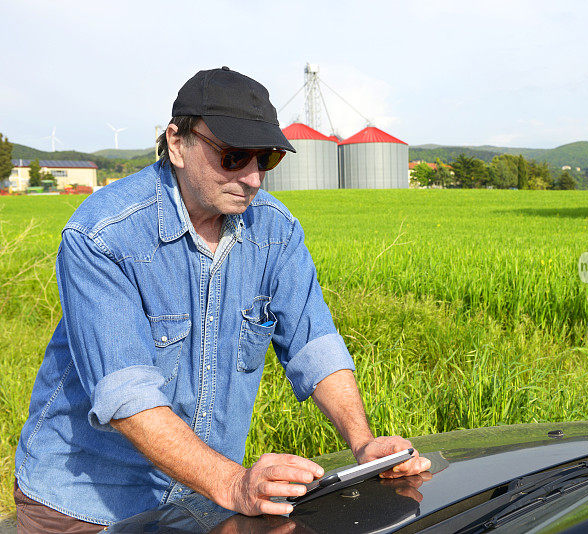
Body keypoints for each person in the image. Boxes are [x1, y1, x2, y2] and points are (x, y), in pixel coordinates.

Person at [13, 66, 430, 533]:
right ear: (177, 143)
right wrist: (233, 484)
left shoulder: (275, 231)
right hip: (91, 503)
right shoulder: (104, 236)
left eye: (265, 159)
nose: (253, 178)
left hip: (202, 499)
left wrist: (363, 444)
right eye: (233, 157)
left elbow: (315, 347)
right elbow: (126, 392)